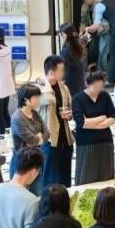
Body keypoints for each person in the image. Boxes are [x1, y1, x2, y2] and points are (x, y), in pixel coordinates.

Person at [72, 70, 115, 185]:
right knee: (86, 176)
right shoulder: (77, 99)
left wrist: (91, 123)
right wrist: (102, 117)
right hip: (86, 143)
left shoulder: (105, 96)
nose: (98, 89)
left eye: (100, 86)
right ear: (87, 84)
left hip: (105, 141)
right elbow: (81, 123)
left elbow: (112, 117)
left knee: (106, 175)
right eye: (95, 86)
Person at [38, 56, 74, 188]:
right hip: (50, 139)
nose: (64, 73)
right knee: (49, 177)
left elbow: (69, 106)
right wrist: (45, 83)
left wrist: (69, 114)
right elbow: (47, 101)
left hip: (65, 137)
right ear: (51, 72)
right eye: (61, 70)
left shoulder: (63, 88)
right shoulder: (39, 88)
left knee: (65, 176)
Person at [10, 84, 48, 194]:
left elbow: (47, 134)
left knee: (37, 194)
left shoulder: (35, 113)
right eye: (36, 97)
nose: (39, 100)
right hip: (22, 161)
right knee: (19, 193)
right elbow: (32, 139)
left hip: (36, 158)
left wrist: (39, 137)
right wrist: (39, 136)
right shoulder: (17, 118)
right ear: (26, 100)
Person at [58, 23, 87, 95]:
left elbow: (63, 71)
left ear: (64, 35)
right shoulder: (77, 45)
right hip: (80, 83)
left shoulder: (65, 50)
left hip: (71, 86)